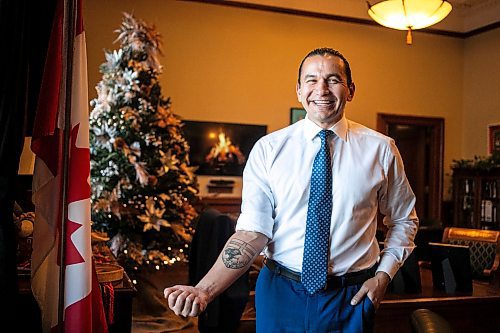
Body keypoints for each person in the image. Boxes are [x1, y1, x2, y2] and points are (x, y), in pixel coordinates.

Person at [164, 47, 419, 332]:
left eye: (333, 79)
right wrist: (204, 290)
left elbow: (404, 219)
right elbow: (252, 231)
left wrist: (383, 276)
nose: (321, 89)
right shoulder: (268, 149)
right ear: (299, 90)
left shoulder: (381, 149)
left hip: (351, 298)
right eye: (311, 80)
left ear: (350, 90)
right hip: (280, 293)